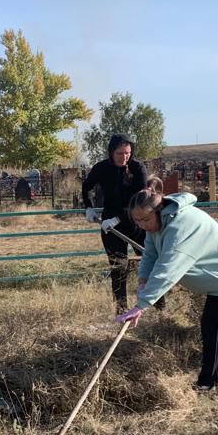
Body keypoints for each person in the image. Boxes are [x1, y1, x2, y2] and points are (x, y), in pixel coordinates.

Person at [116, 190, 218, 392]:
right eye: (137, 221)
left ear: (160, 210)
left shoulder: (181, 227)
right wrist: (142, 281)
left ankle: (208, 383)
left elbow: (167, 269)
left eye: (145, 219)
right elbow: (150, 254)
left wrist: (142, 305)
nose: (142, 225)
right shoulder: (156, 226)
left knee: (213, 327)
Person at [82, 133, 147, 311]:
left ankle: (158, 308)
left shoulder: (138, 168)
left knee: (149, 263)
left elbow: (140, 201)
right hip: (109, 225)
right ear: (111, 152)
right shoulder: (102, 168)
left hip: (138, 223)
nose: (124, 157)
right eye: (120, 153)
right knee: (118, 267)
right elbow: (86, 187)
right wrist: (88, 207)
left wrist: (118, 219)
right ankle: (121, 309)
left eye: (127, 153)